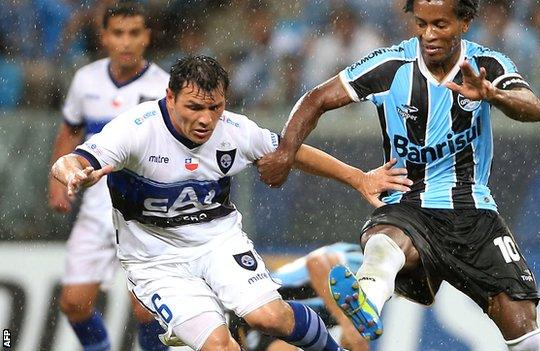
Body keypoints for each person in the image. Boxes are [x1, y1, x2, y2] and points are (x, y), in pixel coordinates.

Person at [50, 55, 413, 351]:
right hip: (155, 259)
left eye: (215, 107)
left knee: (271, 318)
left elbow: (291, 152)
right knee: (219, 347)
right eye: (194, 107)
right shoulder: (135, 129)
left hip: (218, 242)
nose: (206, 119)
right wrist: (70, 170)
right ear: (170, 97)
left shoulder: (234, 130)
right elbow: (75, 159)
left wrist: (359, 178)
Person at [257, 0, 540, 350]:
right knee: (386, 240)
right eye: (421, 23)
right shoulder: (391, 65)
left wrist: (492, 94)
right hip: (408, 201)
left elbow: (533, 108)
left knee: (523, 325)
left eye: (440, 24)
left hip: (473, 210)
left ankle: (369, 296)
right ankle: (367, 301)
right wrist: (287, 150)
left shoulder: (487, 64)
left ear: (465, 22)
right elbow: (317, 98)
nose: (429, 34)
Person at [47, 3, 170, 350]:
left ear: (147, 37)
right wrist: (57, 179)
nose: (126, 42)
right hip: (95, 209)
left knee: (146, 309)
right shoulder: (86, 80)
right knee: (73, 303)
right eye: (118, 33)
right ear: (104, 37)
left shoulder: (164, 87)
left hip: (142, 212)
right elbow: (70, 131)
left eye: (134, 33)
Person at [228, 243, 369, 351]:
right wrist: (349, 326)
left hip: (275, 319)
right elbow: (317, 263)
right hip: (265, 305)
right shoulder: (369, 260)